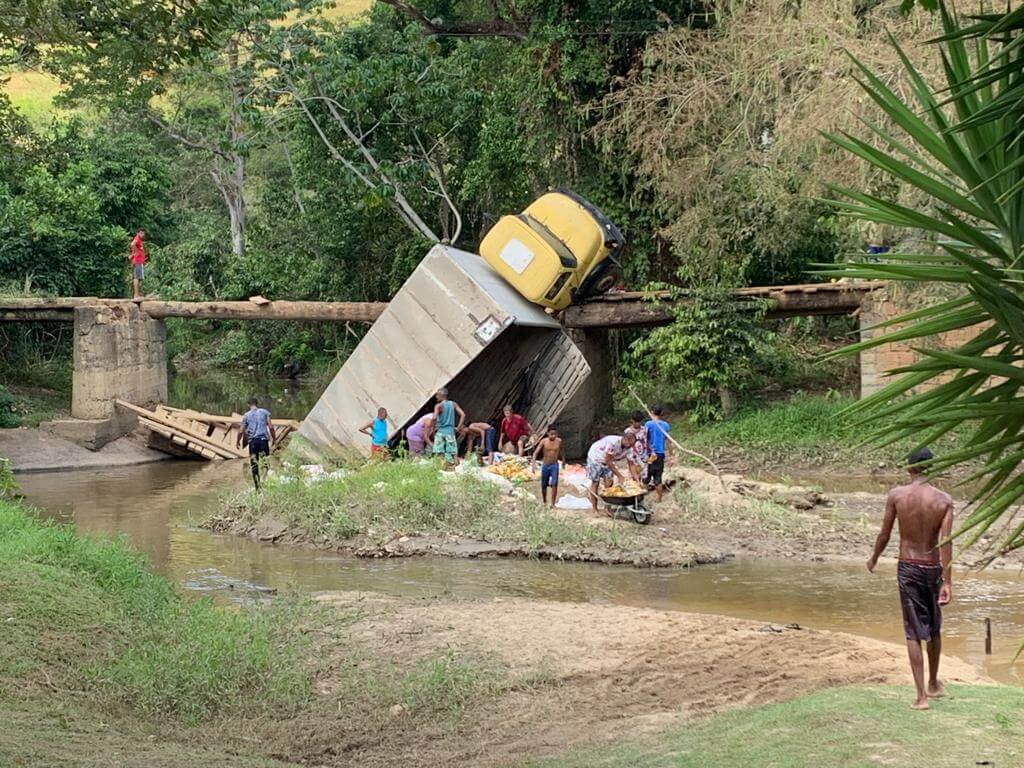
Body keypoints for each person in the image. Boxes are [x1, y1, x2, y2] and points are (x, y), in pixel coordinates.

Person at [867, 447, 953, 711]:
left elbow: (885, 534)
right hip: (933, 567)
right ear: (934, 468)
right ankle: (934, 683)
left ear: (909, 468)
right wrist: (947, 581)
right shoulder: (944, 500)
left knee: (913, 631)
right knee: (934, 628)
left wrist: (874, 557)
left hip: (908, 566)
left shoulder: (897, 495)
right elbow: (947, 542)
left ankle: (921, 697)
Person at [585, 433, 636, 513]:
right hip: (596, 458)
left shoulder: (629, 448)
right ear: (624, 439)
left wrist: (636, 478)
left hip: (610, 460)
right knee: (595, 483)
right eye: (629, 443)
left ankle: (607, 508)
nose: (629, 446)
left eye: (632, 444)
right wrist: (620, 476)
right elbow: (608, 462)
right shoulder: (612, 443)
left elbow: (631, 464)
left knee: (609, 483)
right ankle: (595, 508)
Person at [236, 397, 275, 490]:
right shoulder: (265, 412)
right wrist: (274, 439)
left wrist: (237, 441)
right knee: (266, 462)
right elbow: (271, 427)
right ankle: (265, 481)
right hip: (263, 441)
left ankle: (258, 487)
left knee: (254, 465)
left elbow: (241, 431)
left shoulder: (246, 415)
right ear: (257, 404)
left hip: (253, 442)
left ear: (248, 405)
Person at [532, 425, 565, 506]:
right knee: (544, 485)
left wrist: (564, 460)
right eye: (551, 434)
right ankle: (544, 501)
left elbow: (562, 451)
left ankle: (553, 503)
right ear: (547, 433)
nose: (553, 436)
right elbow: (535, 453)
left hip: (554, 465)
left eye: (555, 434)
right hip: (546, 465)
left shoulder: (559, 441)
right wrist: (533, 463)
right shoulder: (544, 441)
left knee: (554, 483)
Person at [432, 388, 465, 466]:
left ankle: (444, 469)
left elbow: (434, 418)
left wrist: (433, 429)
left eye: (437, 395)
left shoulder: (438, 406)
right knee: (453, 453)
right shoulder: (453, 404)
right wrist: (458, 427)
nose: (436, 397)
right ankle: (457, 471)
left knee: (440, 453)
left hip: (440, 432)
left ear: (441, 395)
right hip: (450, 432)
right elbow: (463, 415)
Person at [644, 406, 671, 502]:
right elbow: (668, 441)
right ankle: (659, 499)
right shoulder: (665, 425)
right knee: (658, 477)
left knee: (646, 476)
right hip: (660, 454)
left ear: (651, 412)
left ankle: (642, 497)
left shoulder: (648, 424)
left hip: (650, 454)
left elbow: (645, 439)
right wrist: (670, 455)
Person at [625, 410, 651, 483]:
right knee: (635, 476)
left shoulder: (645, 429)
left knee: (645, 476)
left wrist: (651, 453)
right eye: (636, 421)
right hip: (633, 457)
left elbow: (648, 441)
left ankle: (645, 488)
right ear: (632, 420)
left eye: (639, 421)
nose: (637, 423)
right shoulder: (627, 431)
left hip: (644, 456)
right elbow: (626, 447)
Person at [129, 228, 146, 301]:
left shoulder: (139, 240)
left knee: (138, 277)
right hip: (138, 261)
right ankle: (136, 295)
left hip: (139, 261)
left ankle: (137, 294)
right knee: (136, 277)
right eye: (141, 233)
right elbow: (132, 244)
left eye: (143, 233)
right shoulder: (137, 239)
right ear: (138, 233)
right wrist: (136, 253)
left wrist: (132, 255)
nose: (143, 234)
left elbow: (135, 248)